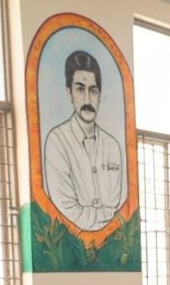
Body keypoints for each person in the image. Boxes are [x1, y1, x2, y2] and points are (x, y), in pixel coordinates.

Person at [43, 50, 124, 231]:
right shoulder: (57, 142)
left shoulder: (112, 146)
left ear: (100, 95)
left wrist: (101, 215)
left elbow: (114, 207)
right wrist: (102, 217)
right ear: (69, 93)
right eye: (80, 89)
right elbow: (68, 208)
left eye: (93, 91)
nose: (87, 99)